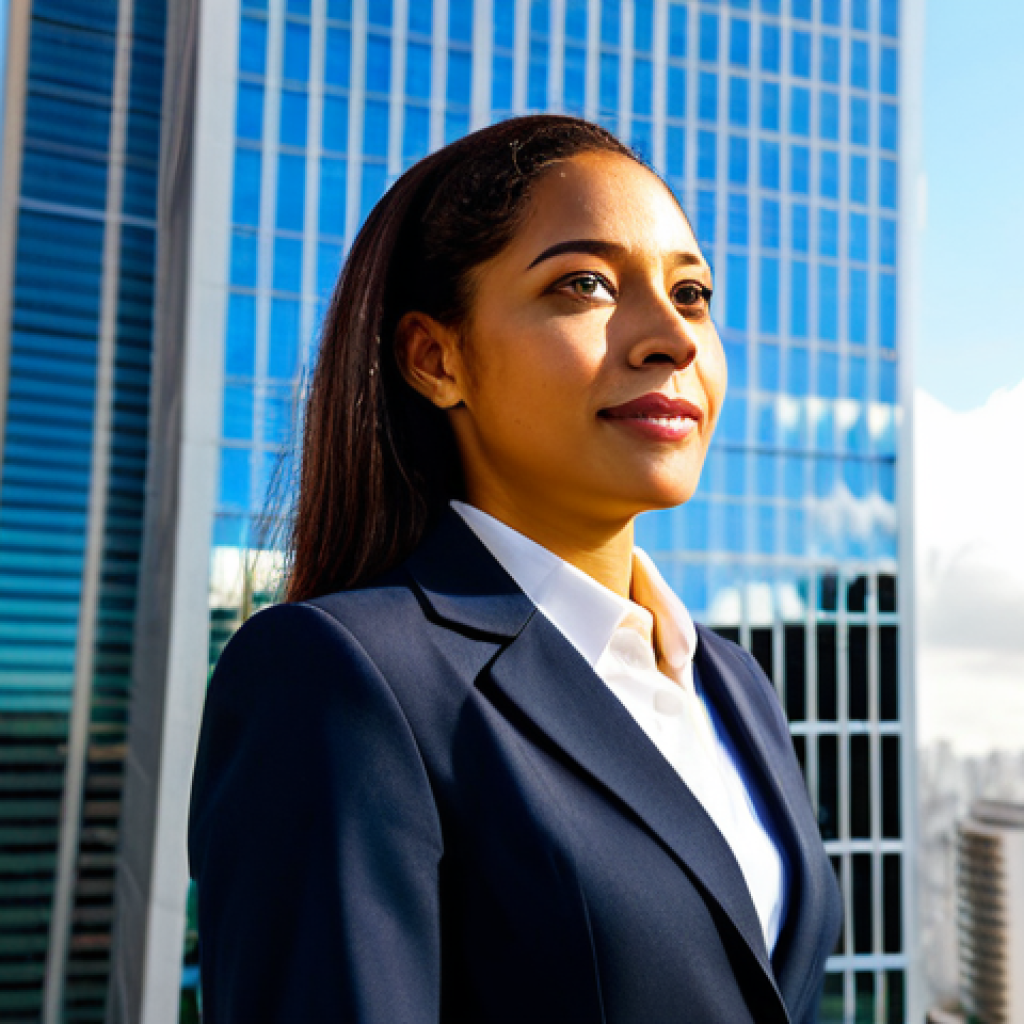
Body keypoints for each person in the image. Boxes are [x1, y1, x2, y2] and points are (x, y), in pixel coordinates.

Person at [188, 115, 842, 1024]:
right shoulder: (337, 677)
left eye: (692, 294)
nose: (673, 338)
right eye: (585, 284)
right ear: (435, 357)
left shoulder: (732, 681)